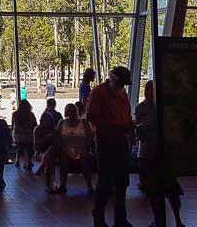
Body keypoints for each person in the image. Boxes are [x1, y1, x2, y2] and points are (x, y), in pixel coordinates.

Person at [87, 66, 135, 227]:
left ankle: (120, 219)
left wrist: (126, 127)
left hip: (121, 140)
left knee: (122, 182)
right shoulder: (99, 92)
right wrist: (119, 125)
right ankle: (99, 218)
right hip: (106, 142)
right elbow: (93, 117)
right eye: (121, 83)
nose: (123, 87)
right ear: (113, 80)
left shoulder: (121, 93)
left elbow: (126, 113)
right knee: (105, 182)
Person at [136, 80, 185, 227]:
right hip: (149, 152)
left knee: (170, 189)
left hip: (160, 152)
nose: (148, 92)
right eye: (147, 89)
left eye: (151, 89)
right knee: (154, 190)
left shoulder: (159, 108)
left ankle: (175, 219)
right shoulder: (143, 108)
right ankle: (164, 220)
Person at [52, 103, 95, 195]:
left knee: (85, 159)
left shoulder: (84, 122)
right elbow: (57, 137)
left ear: (77, 112)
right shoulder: (61, 122)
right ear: (66, 113)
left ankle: (89, 185)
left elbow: (90, 136)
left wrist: (85, 148)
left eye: (73, 111)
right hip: (66, 149)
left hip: (82, 149)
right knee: (63, 157)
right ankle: (63, 185)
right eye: (69, 111)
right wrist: (65, 148)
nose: (71, 113)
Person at [34, 112, 58, 186]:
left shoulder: (54, 130)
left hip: (53, 151)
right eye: (45, 120)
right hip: (41, 151)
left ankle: (41, 168)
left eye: (48, 120)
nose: (47, 122)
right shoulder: (38, 129)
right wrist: (46, 138)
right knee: (50, 155)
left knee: (51, 150)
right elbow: (36, 145)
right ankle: (50, 183)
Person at [11, 99, 37, 170]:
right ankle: (28, 161)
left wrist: (12, 135)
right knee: (28, 148)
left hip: (18, 136)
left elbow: (13, 125)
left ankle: (17, 160)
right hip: (29, 136)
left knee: (19, 146)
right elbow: (35, 125)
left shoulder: (15, 114)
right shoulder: (31, 114)